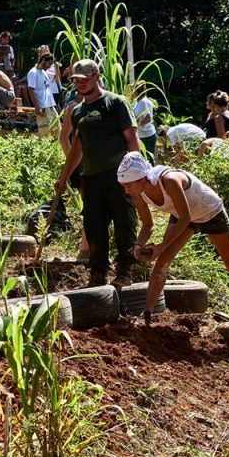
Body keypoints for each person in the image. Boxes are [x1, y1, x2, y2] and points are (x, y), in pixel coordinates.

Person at [117, 151, 229, 328]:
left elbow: (186, 217)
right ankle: (146, 314)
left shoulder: (170, 180)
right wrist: (138, 244)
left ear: (142, 178)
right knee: (162, 262)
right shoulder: (138, 193)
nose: (126, 189)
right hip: (181, 215)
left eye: (129, 184)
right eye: (123, 185)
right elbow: (148, 224)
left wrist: (160, 246)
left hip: (209, 212)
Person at [55, 59, 139, 288]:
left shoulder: (115, 103)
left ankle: (124, 271)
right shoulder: (78, 111)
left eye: (85, 79)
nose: (80, 84)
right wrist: (63, 178)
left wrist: (136, 173)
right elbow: (76, 149)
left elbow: (132, 138)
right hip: (90, 178)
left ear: (97, 76)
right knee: (94, 228)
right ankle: (98, 274)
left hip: (118, 174)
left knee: (124, 224)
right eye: (76, 80)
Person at [59, 97, 89, 261]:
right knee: (89, 206)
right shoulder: (74, 106)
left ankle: (88, 248)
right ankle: (85, 250)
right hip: (81, 167)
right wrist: (73, 164)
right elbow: (64, 137)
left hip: (96, 165)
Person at [27, 52, 58, 138]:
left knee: (57, 129)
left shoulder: (44, 73)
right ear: (43, 60)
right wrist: (37, 106)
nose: (49, 66)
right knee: (45, 131)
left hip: (50, 104)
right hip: (42, 105)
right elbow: (31, 90)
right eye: (49, 64)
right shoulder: (33, 72)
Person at [132, 80, 157, 162]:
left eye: (133, 90)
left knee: (149, 160)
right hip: (141, 136)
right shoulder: (138, 101)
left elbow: (148, 118)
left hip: (147, 136)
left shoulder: (143, 102)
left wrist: (136, 125)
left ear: (137, 91)